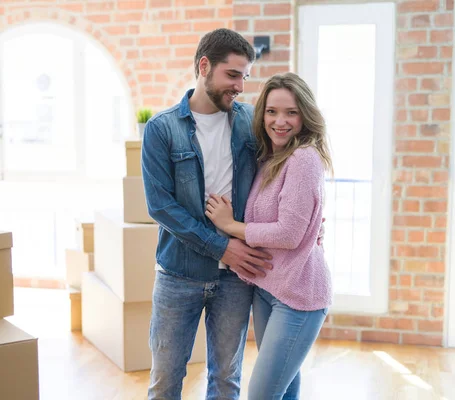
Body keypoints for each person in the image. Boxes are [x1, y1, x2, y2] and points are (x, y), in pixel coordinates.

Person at [141, 28, 273, 400]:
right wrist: (221, 247)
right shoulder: (162, 129)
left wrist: (309, 220)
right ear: (204, 66)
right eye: (233, 75)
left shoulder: (250, 121)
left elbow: (279, 176)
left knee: (227, 381)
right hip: (178, 275)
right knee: (166, 381)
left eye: (244, 76)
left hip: (236, 278)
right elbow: (161, 206)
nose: (241, 87)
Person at [206, 72, 334, 400]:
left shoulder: (303, 158)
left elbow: (289, 234)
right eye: (272, 111)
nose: (280, 121)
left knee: (262, 394)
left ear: (305, 115)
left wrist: (231, 226)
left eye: (291, 112)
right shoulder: (271, 158)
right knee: (284, 389)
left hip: (298, 297)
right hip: (267, 288)